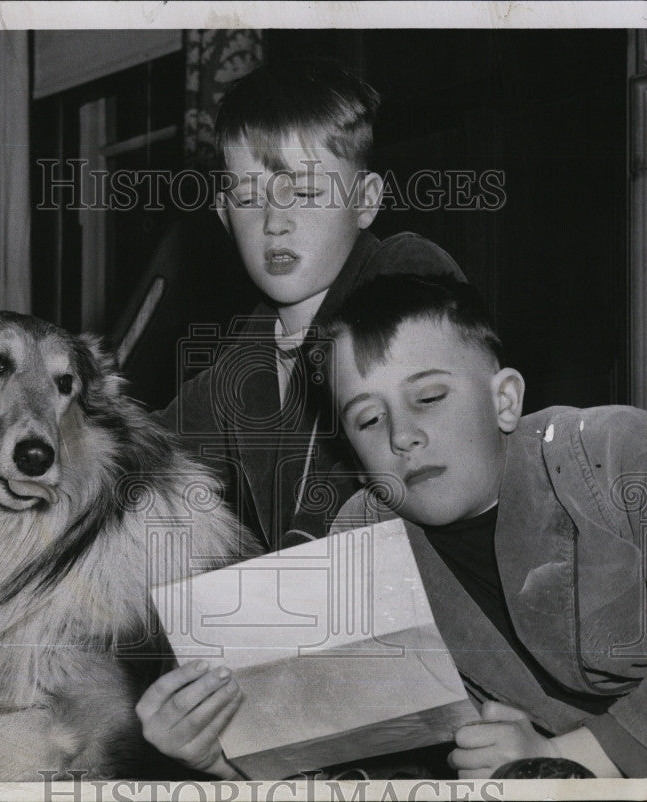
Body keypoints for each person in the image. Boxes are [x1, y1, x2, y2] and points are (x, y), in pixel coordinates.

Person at [137, 60, 465, 777]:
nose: (276, 220)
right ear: (222, 215)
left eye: (307, 190)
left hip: (443, 688)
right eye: (249, 196)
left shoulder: (405, 274)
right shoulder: (243, 355)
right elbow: (140, 460)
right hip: (320, 697)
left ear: (367, 199)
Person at [315, 273, 647, 779]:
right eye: (367, 420)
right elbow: (374, 733)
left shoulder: (617, 451)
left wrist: (564, 759)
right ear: (356, 461)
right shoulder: (360, 545)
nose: (403, 435)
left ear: (505, 400)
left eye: (428, 397)